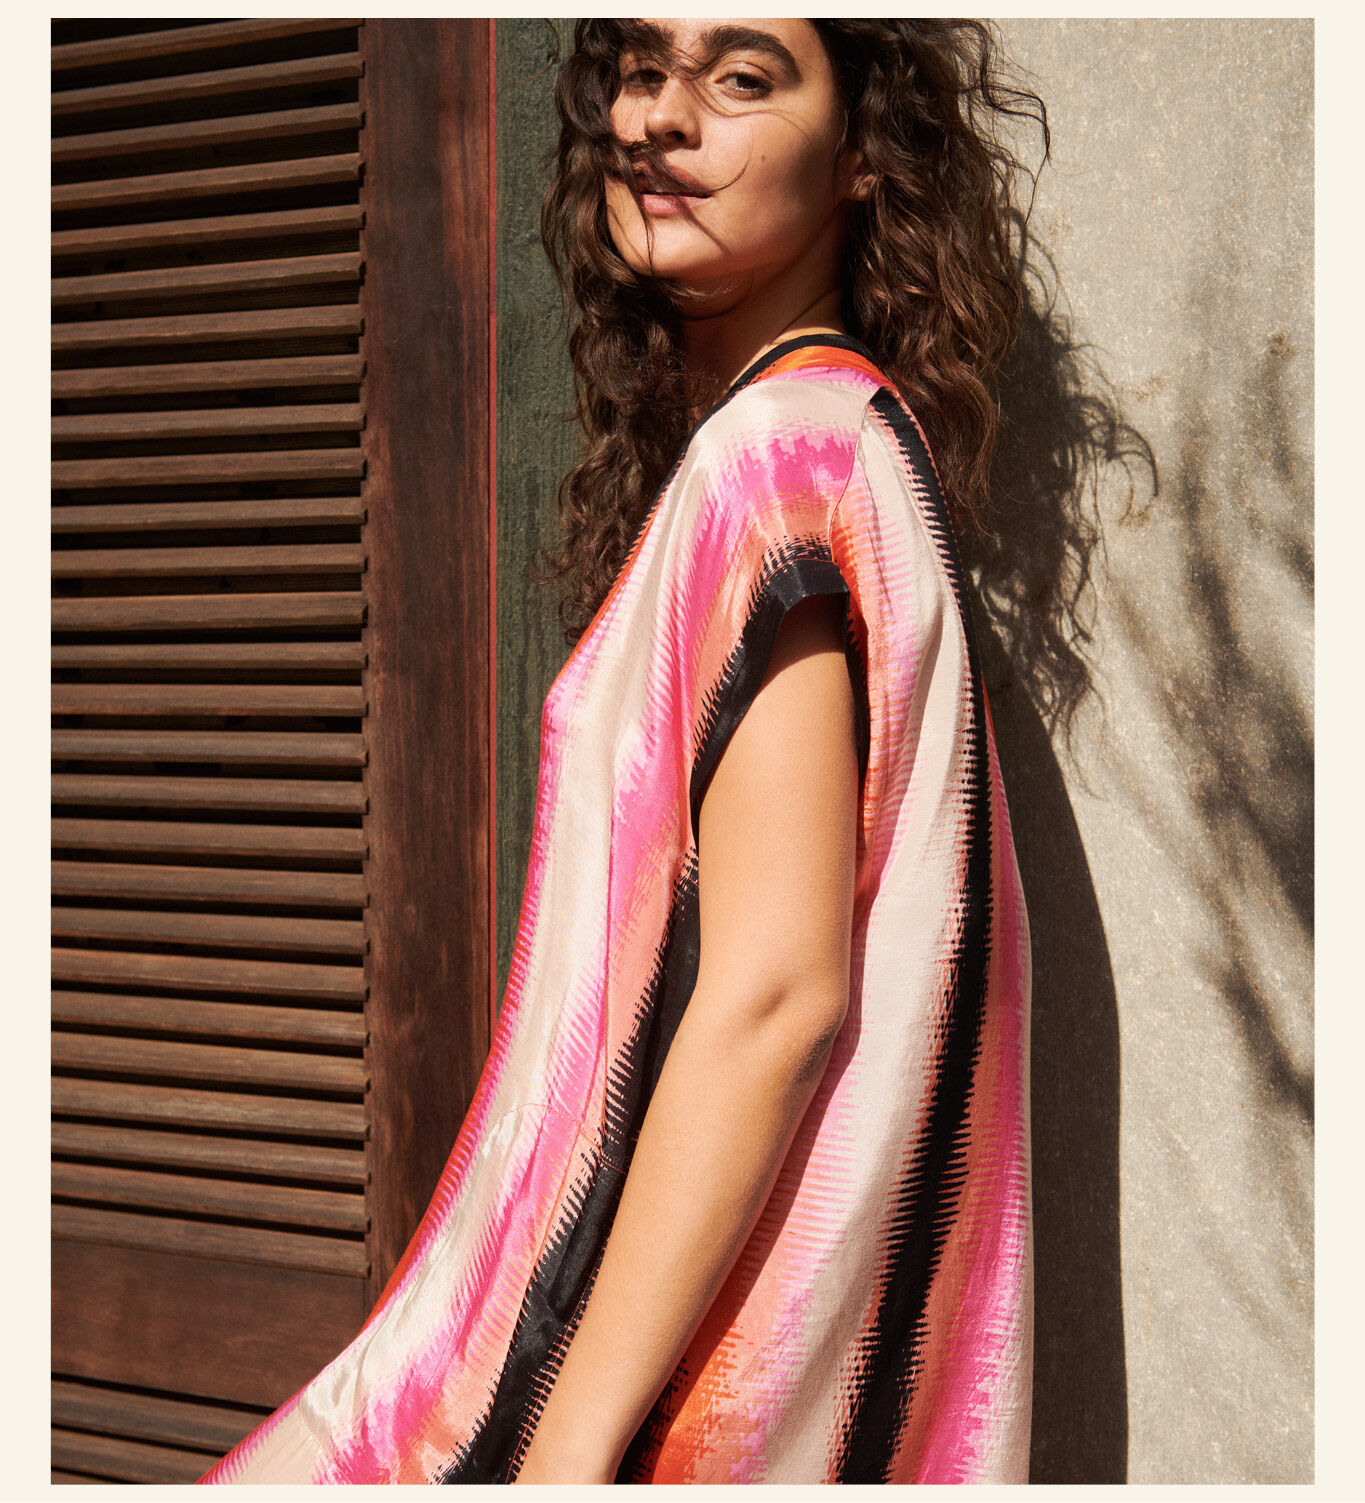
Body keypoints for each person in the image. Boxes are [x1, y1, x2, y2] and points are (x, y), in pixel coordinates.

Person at [199, 18, 1042, 1485]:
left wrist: (566, 1445)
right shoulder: (842, 439)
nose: (657, 119)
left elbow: (774, 995)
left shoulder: (776, 457)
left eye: (742, 78)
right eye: (642, 72)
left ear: (861, 154)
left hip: (627, 1401)